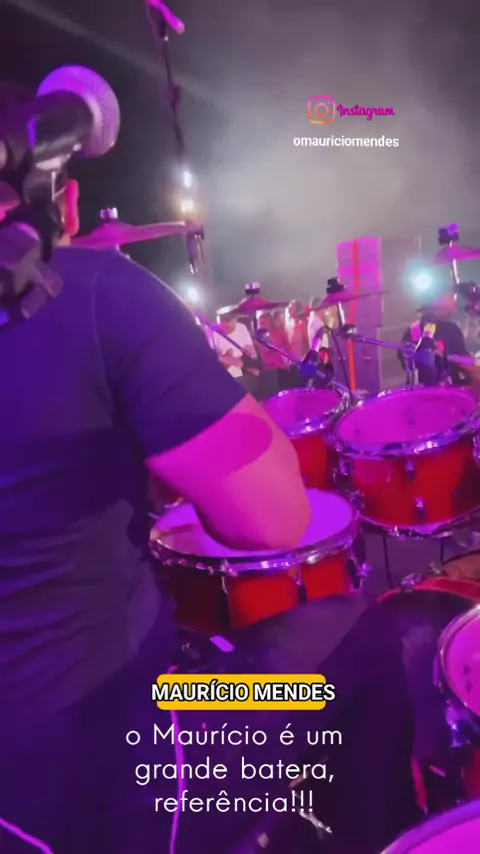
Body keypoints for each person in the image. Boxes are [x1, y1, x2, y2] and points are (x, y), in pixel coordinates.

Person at [0, 81, 423, 854]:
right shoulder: (93, 295)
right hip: (100, 775)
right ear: (60, 196)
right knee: (358, 634)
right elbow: (273, 519)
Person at [399, 291, 472, 386]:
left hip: (452, 391)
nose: (453, 301)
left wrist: (474, 365)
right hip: (424, 392)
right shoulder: (413, 331)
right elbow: (407, 363)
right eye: (449, 297)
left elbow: (463, 358)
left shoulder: (452, 329)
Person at [208, 307, 260, 397]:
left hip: (239, 376)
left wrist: (247, 367)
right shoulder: (211, 331)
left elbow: (252, 354)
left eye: (228, 320)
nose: (225, 324)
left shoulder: (241, 328)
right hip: (221, 377)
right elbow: (208, 357)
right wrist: (226, 358)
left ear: (235, 318)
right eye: (222, 321)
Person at [256, 311, 291, 399]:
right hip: (270, 370)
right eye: (259, 323)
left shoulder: (278, 333)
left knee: (279, 397)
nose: (260, 326)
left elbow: (288, 349)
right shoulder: (261, 336)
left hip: (278, 370)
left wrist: (286, 362)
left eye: (262, 323)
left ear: (270, 322)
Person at [285, 299, 309, 387]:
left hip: (301, 364)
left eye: (291, 305)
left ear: (297, 308)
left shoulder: (303, 324)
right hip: (291, 365)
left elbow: (308, 342)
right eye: (288, 305)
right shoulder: (288, 325)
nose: (289, 307)